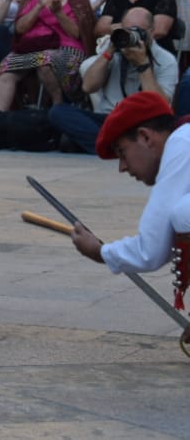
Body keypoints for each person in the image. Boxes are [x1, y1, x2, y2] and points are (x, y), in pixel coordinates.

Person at [65, 92, 190, 347]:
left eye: (122, 152)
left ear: (145, 137)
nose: (122, 167)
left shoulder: (181, 143)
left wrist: (100, 252)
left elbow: (150, 250)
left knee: (184, 214)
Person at [50, 7, 179, 154]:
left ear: (151, 31)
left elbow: (160, 104)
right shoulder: (115, 49)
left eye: (138, 30)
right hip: (110, 119)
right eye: (128, 30)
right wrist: (110, 50)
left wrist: (143, 64)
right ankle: (120, 148)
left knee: (155, 133)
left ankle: (106, 145)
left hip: (140, 123)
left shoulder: (165, 60)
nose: (132, 35)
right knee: (58, 112)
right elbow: (88, 87)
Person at [0, 0, 94, 110]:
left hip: (66, 48)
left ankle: (57, 106)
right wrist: (39, 6)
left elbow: (76, 33)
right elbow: (20, 29)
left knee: (45, 62)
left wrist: (59, 13)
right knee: (6, 67)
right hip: (34, 46)